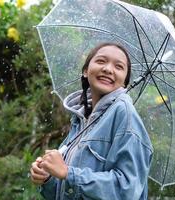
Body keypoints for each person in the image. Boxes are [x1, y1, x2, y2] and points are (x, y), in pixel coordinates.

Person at [30, 42, 153, 200]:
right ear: (86, 71)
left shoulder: (124, 114)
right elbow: (65, 194)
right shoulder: (81, 119)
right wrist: (48, 178)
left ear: (124, 82)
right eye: (101, 61)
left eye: (119, 66)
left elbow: (127, 190)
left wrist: (68, 173)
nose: (108, 69)